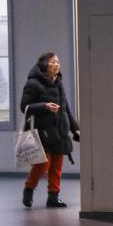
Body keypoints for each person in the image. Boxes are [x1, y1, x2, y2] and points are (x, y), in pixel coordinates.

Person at [20, 52, 79, 208]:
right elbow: (24, 107)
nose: (56, 64)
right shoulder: (33, 83)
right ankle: (29, 188)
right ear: (43, 64)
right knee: (43, 165)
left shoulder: (58, 83)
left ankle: (53, 197)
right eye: (53, 62)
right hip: (43, 130)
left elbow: (66, 109)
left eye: (58, 62)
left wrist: (75, 129)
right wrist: (44, 106)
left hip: (60, 129)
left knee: (57, 166)